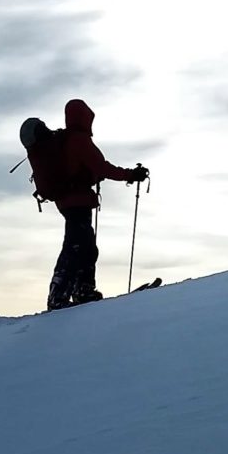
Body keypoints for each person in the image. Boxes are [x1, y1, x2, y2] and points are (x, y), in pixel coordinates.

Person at [47, 98, 148, 311]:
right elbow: (102, 167)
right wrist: (131, 175)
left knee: (79, 245)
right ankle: (71, 293)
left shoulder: (63, 140)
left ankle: (75, 291)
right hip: (78, 201)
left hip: (66, 201)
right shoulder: (79, 140)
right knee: (79, 247)